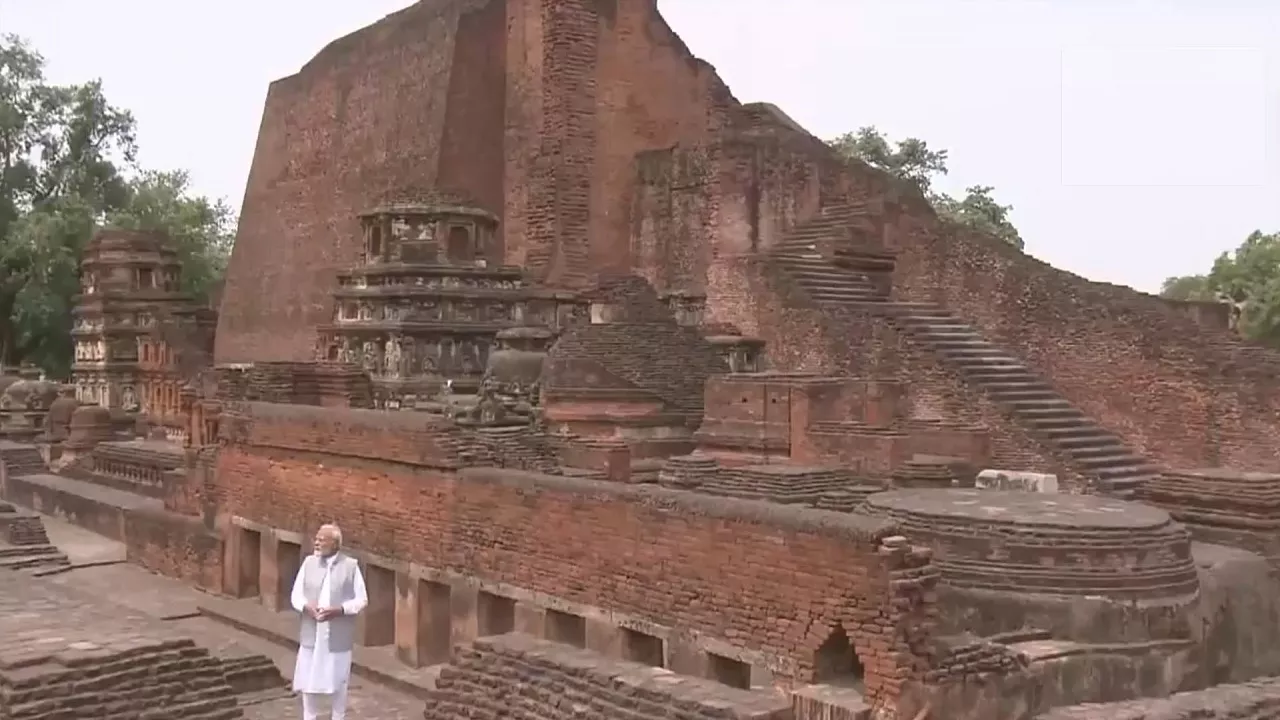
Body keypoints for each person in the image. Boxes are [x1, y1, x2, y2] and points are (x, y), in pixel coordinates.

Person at [289, 524, 368, 720]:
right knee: (308, 680)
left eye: (322, 539)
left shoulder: (350, 566)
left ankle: (338, 717)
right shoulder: (308, 563)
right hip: (311, 635)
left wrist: (339, 610)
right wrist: (307, 607)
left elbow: (361, 599)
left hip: (337, 638)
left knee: (338, 682)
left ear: (334, 543)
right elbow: (296, 595)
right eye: (316, 538)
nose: (316, 542)